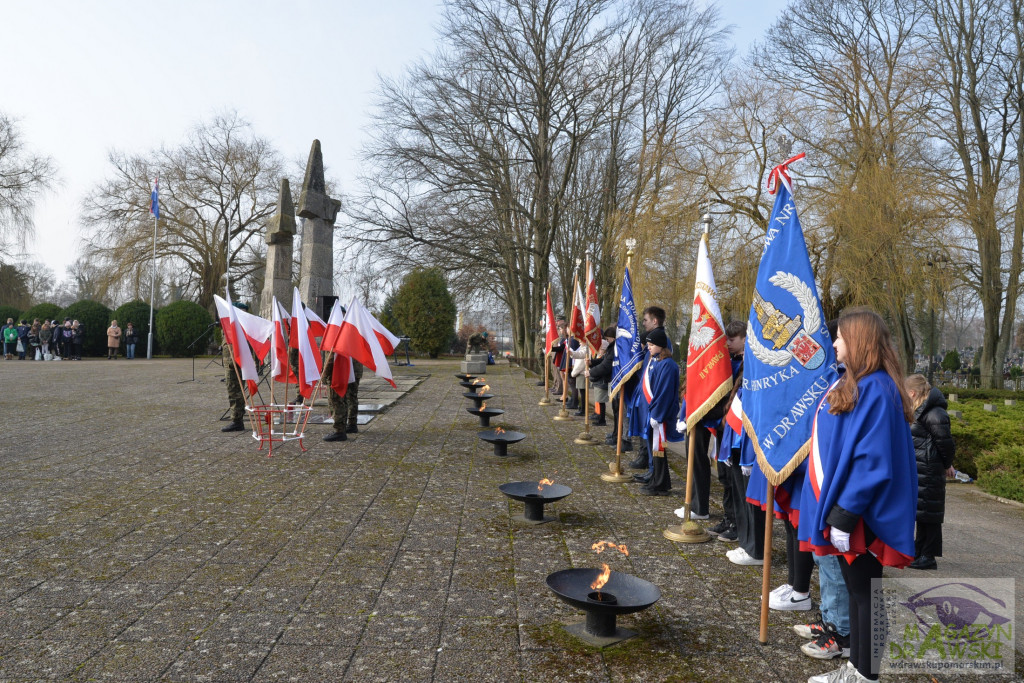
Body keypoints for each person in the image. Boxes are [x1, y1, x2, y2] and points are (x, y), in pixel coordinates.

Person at [802, 309, 917, 683]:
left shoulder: (876, 388)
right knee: (858, 591)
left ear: (861, 342)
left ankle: (865, 674)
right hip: (855, 509)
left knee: (866, 593)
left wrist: (844, 514)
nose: (834, 343)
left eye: (841, 337)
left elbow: (871, 462)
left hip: (862, 512)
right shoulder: (866, 384)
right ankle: (858, 668)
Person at [905, 374, 955, 570]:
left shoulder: (934, 413)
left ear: (913, 393)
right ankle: (919, 551)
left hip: (930, 467)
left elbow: (945, 443)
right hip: (920, 467)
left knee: (930, 513)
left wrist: (947, 464)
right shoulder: (920, 410)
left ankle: (929, 556)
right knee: (922, 512)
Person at [639, 327, 683, 495]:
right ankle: (657, 479)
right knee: (655, 448)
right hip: (655, 413)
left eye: (651, 344)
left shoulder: (668, 365)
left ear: (660, 345)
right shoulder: (659, 362)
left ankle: (661, 483)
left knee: (659, 449)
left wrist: (657, 415)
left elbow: (663, 392)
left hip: (661, 416)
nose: (648, 347)